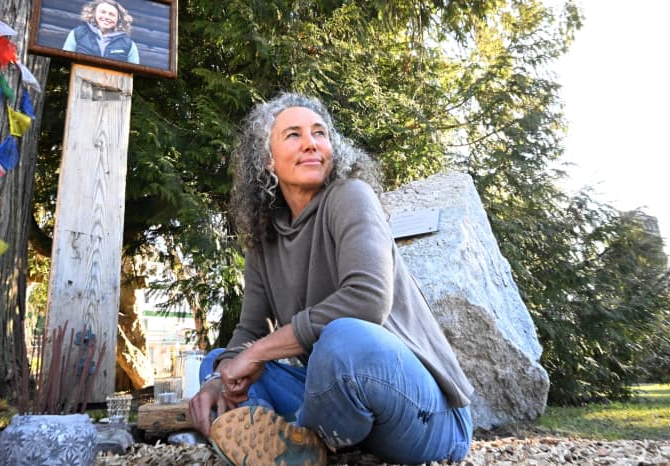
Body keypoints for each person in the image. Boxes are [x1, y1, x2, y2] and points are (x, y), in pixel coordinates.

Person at [188, 93, 475, 466]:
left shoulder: (351, 196)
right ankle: (285, 446)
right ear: (267, 160)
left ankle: (296, 438)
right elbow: (249, 331)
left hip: (427, 416)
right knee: (218, 363)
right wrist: (217, 380)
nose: (311, 143)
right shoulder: (263, 233)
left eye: (319, 133)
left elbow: (367, 299)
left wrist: (257, 353)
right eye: (293, 134)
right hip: (345, 409)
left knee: (341, 339)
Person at [62, 0, 140, 64]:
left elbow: (133, 72)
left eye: (112, 14)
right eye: (103, 12)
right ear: (94, 14)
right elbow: (65, 61)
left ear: (119, 19)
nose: (107, 17)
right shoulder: (77, 34)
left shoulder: (129, 44)